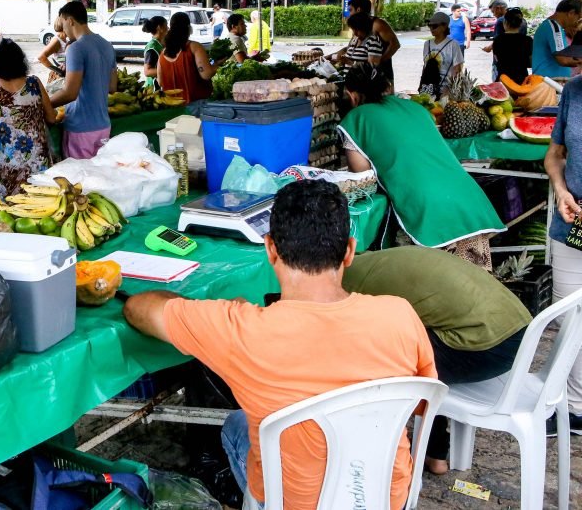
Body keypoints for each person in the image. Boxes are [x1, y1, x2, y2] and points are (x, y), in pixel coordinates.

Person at [123, 180, 436, 510]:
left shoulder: (240, 329)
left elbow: (137, 309)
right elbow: (420, 405)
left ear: (270, 249)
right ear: (349, 251)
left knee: (235, 425)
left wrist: (208, 313)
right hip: (386, 497)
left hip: (290, 503)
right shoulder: (400, 314)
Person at [342, 247, 531, 472]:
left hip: (488, 345)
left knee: (387, 359)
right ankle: (434, 454)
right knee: (411, 344)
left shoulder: (343, 288)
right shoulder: (375, 263)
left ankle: (377, 452)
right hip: (520, 331)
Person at [340, 62, 505, 267]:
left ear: (352, 95)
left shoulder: (355, 119)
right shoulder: (415, 108)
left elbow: (362, 177)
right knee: (472, 280)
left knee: (430, 281)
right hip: (467, 198)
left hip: (427, 209)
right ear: (386, 86)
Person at [543, 59, 582, 436]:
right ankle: (574, 407)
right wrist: (561, 189)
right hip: (573, 220)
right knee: (568, 316)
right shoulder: (573, 92)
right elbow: (555, 155)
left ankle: (575, 404)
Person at [0, 40, 56, 198]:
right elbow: (51, 118)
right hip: (36, 161)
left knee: (8, 209)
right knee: (41, 205)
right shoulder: (34, 83)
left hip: (6, 165)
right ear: (21, 61)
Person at [49, 1, 117, 159]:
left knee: (81, 174)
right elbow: (112, 87)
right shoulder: (107, 46)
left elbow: (70, 93)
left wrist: (45, 103)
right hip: (103, 126)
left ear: (70, 21)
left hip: (80, 128)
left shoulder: (75, 48)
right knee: (99, 172)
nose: (64, 31)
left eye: (63, 24)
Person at [157, 12, 219, 103]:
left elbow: (160, 82)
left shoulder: (162, 54)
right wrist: (218, 64)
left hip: (172, 106)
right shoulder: (194, 47)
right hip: (196, 104)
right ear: (188, 28)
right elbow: (206, 74)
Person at [532, 0, 582, 78]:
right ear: (571, 13)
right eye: (578, 18)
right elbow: (564, 60)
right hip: (549, 81)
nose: (577, 23)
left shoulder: (551, 26)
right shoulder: (554, 28)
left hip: (548, 80)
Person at [420, 11, 463, 97]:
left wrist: (447, 91)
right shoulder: (427, 44)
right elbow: (425, 67)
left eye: (435, 26)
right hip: (428, 90)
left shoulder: (453, 45)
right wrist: (421, 85)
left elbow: (457, 70)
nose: (431, 28)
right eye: (429, 25)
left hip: (446, 91)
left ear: (444, 27)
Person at [492, 7, 532, 84]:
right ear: (520, 24)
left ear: (505, 22)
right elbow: (530, 63)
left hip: (503, 79)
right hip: (522, 80)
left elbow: (496, 59)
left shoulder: (498, 40)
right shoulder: (528, 40)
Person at [37, 17, 70, 83]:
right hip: (61, 78)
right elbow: (41, 57)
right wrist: (58, 71)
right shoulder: (56, 41)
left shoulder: (65, 40)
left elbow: (62, 58)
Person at [482, 0, 508, 78]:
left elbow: (498, 41)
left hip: (501, 62)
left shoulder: (501, 21)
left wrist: (489, 48)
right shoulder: (520, 20)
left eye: (493, 11)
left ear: (498, 8)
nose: (493, 14)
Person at [141, 15, 168, 86]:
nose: (168, 28)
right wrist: (169, 70)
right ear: (159, 28)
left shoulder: (162, 44)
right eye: (166, 25)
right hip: (153, 88)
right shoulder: (152, 47)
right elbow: (147, 71)